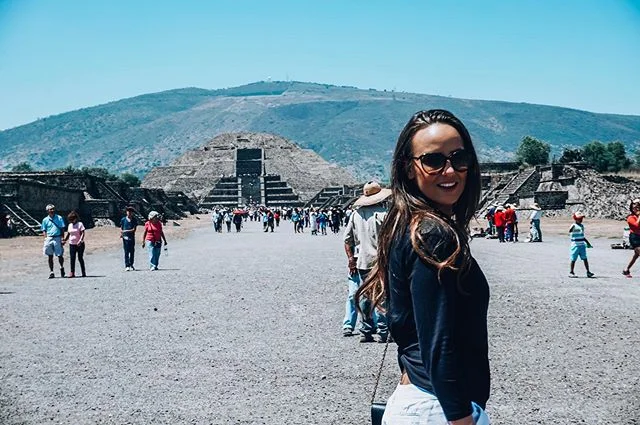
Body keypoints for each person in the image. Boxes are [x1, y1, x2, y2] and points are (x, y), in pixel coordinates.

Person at [356, 110, 490, 424]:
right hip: (438, 409)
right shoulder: (431, 235)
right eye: (433, 160)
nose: (450, 170)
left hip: (422, 402)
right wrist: (461, 417)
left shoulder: (408, 224)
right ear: (408, 167)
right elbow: (439, 343)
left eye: (459, 158)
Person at [343, 181, 390, 342]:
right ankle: (383, 331)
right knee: (382, 295)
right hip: (380, 261)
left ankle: (366, 330)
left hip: (363, 262)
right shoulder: (384, 214)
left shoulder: (356, 215)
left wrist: (351, 260)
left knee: (366, 296)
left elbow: (347, 240)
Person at [41, 204, 66, 279]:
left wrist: (62, 238)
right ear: (47, 211)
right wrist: (45, 238)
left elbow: (62, 228)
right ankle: (51, 271)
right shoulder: (45, 220)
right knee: (50, 255)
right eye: (50, 209)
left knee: (59, 254)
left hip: (57, 237)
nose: (52, 210)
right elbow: (44, 230)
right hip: (49, 238)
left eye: (53, 209)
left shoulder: (59, 218)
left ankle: (61, 267)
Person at [569, 211, 595, 278]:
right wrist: (572, 228)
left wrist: (588, 243)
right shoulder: (573, 225)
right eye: (579, 219)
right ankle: (571, 272)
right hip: (575, 245)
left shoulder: (582, 226)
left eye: (581, 218)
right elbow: (570, 231)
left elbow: (582, 236)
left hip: (582, 245)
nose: (581, 220)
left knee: (585, 258)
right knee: (573, 259)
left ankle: (588, 272)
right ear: (575, 219)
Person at [63, 211, 86, 278]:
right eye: (70, 220)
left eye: (72, 219)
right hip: (72, 244)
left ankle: (83, 272)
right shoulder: (70, 225)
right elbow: (69, 234)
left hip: (79, 244)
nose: (71, 221)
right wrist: (65, 240)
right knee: (72, 258)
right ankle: (72, 272)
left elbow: (83, 233)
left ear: (75, 218)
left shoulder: (80, 224)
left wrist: (80, 240)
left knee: (80, 258)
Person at [623, 199, 640, 277]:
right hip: (634, 238)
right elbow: (636, 225)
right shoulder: (630, 217)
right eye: (635, 207)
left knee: (636, 255)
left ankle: (626, 269)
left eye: (638, 207)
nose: (636, 208)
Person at [120, 206, 138, 271]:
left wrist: (125, 231)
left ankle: (131, 264)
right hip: (125, 238)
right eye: (128, 211)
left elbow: (134, 229)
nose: (129, 213)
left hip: (131, 237)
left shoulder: (134, 220)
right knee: (126, 251)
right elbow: (121, 227)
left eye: (130, 212)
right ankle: (127, 265)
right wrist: (121, 233)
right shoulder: (123, 219)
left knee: (132, 251)